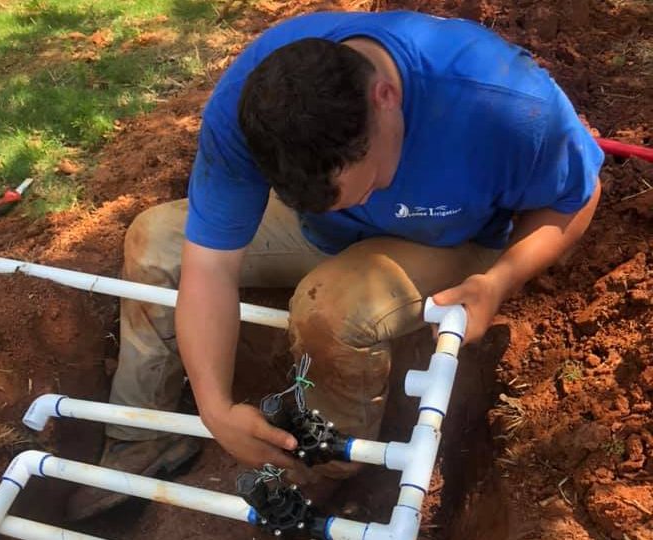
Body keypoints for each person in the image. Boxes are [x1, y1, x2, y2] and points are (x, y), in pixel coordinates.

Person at [67, 10, 603, 520]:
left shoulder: (502, 103)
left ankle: (322, 466)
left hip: (453, 238)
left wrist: (498, 280)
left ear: (386, 98)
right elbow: (209, 266)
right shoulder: (252, 107)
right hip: (322, 234)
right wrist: (215, 407)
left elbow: (577, 195)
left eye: (362, 183)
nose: (350, 199)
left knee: (333, 307)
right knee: (155, 241)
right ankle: (142, 438)